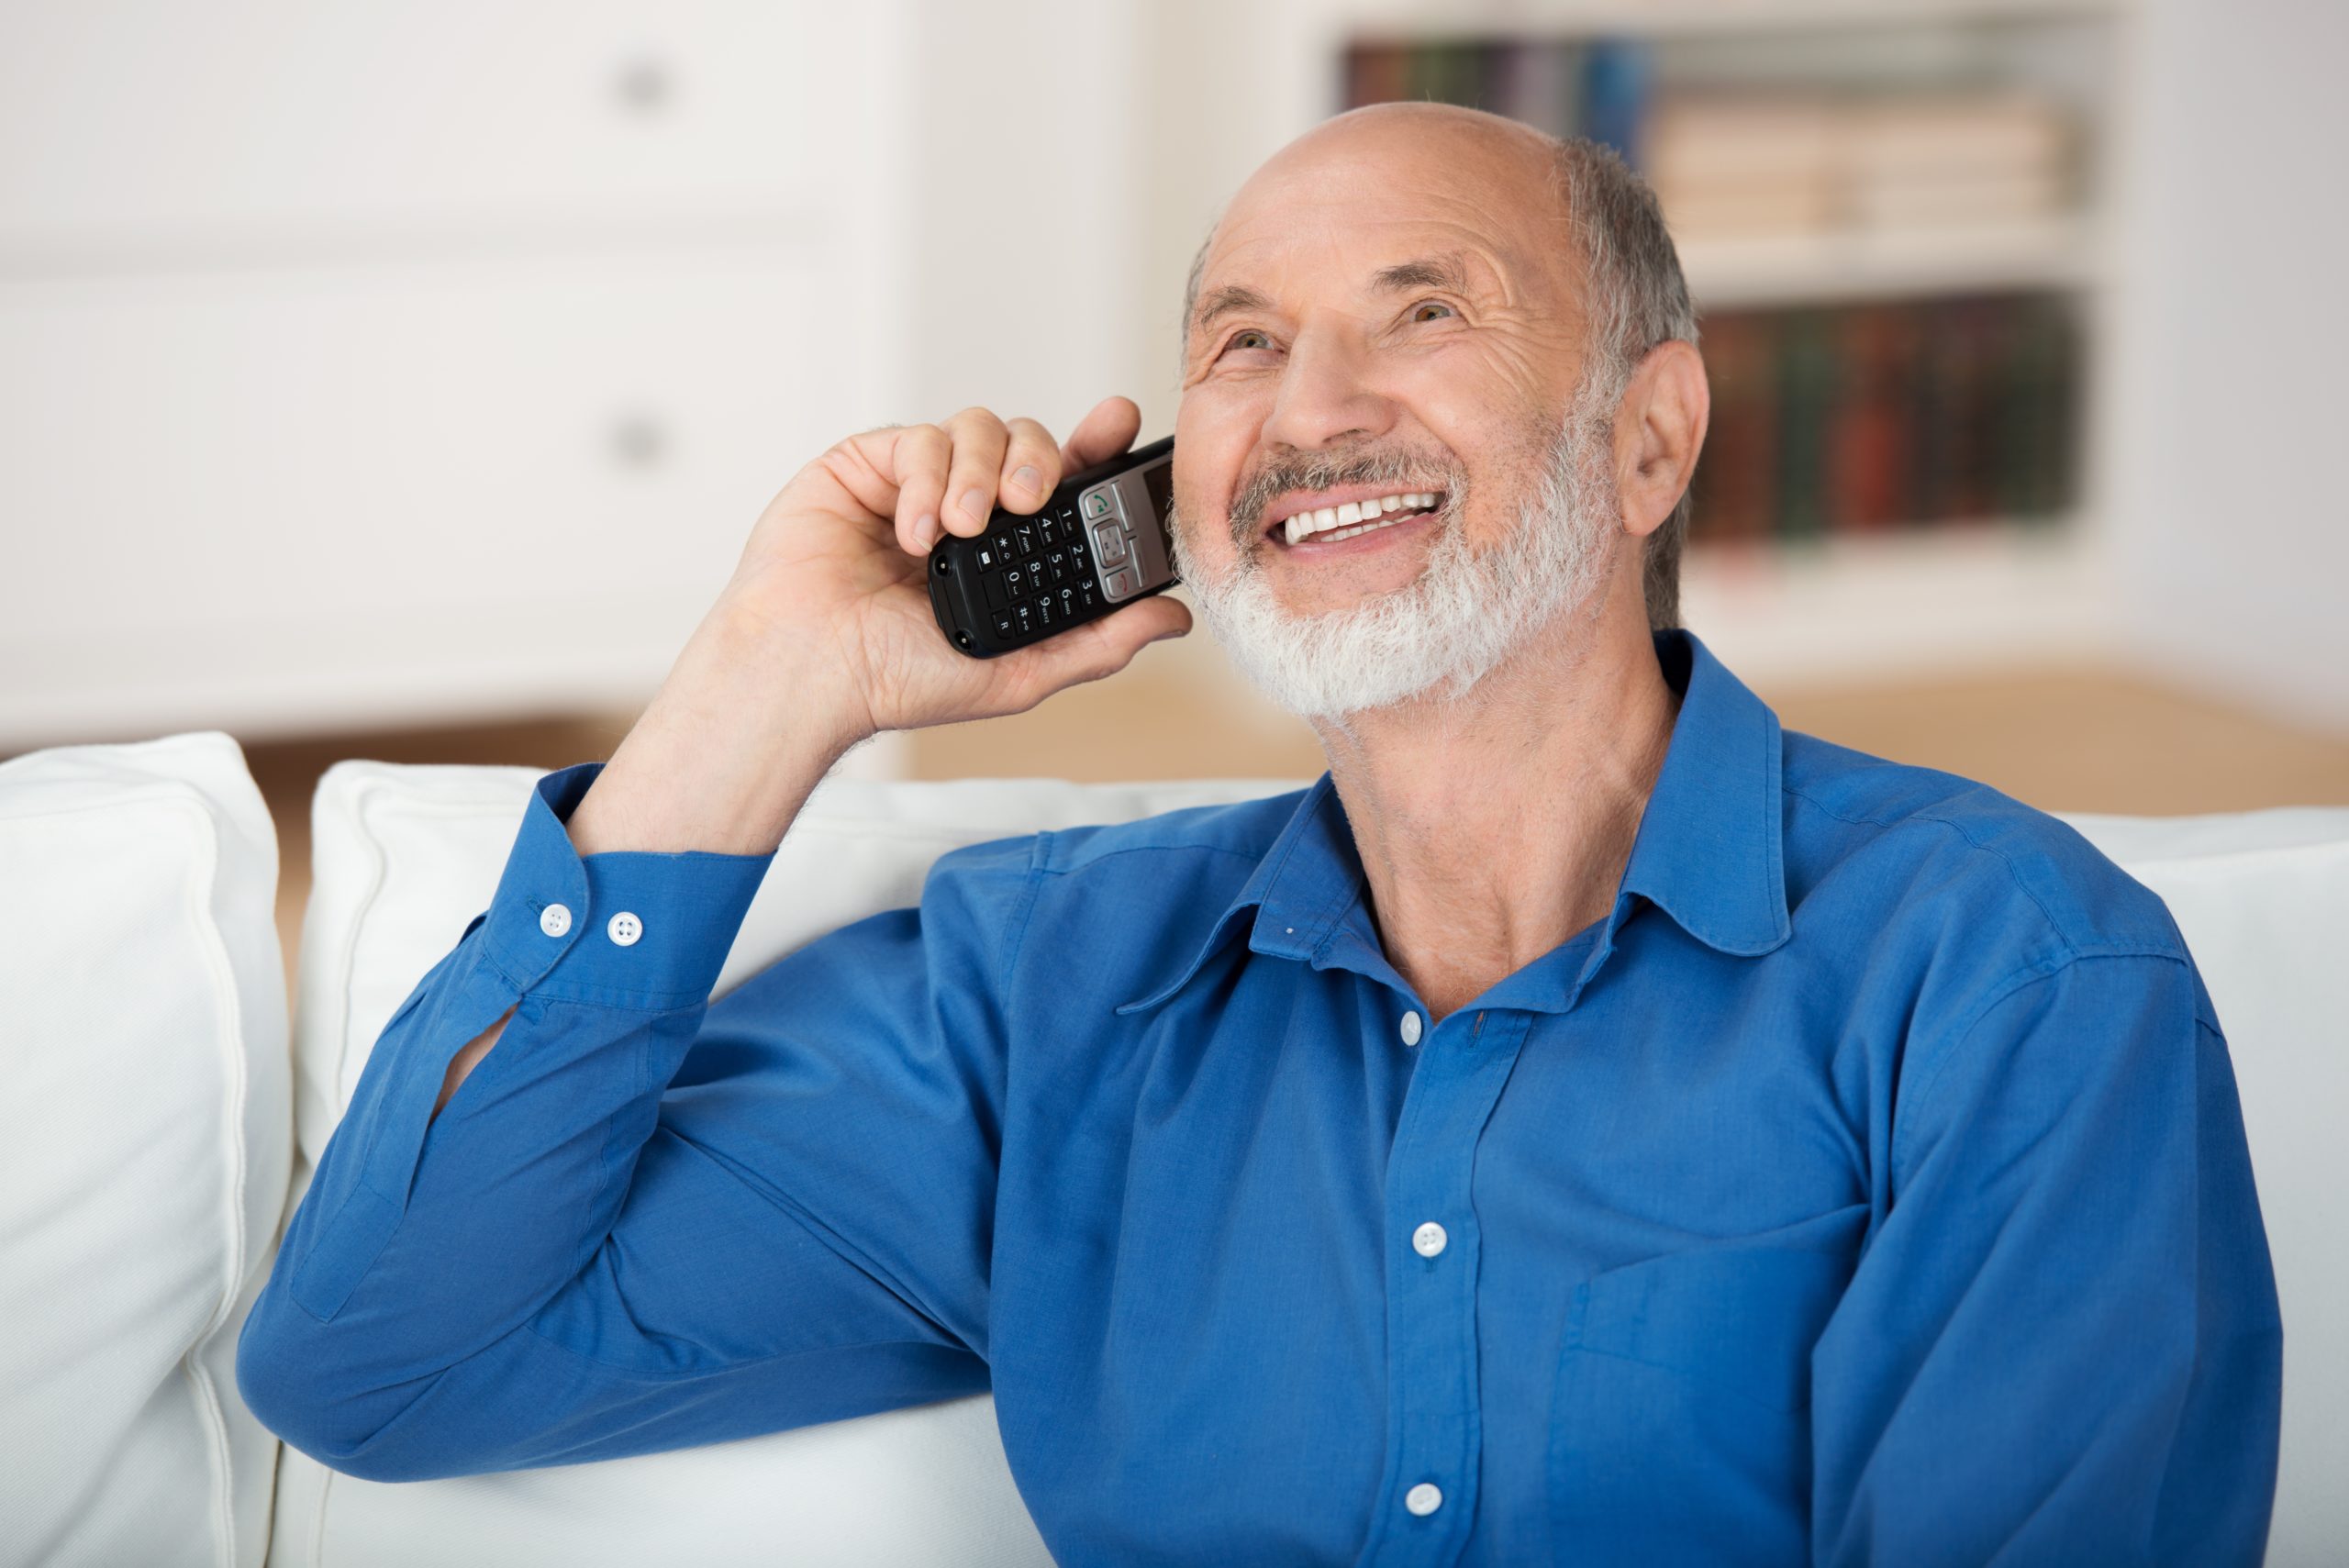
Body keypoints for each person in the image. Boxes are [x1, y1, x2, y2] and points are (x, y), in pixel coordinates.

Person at [237, 104, 2281, 1565]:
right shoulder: (1043, 991)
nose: (1306, 411)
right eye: (1239, 342)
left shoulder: (2006, 977)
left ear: (1648, 435)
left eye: (1423, 312)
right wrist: (769, 690)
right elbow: (389, 1367)